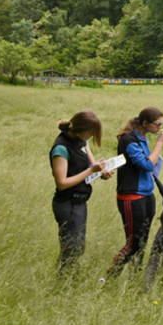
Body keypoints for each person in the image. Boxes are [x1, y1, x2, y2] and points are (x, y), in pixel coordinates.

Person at [106, 107, 163, 278]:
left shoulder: (142, 138)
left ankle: (135, 276)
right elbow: (147, 165)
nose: (160, 128)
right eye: (158, 124)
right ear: (145, 123)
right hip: (131, 197)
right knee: (133, 243)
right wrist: (160, 143)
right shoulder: (129, 140)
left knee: (142, 242)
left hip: (147, 195)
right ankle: (109, 277)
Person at [49, 110, 109, 274]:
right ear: (81, 130)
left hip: (80, 202)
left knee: (78, 247)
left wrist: (101, 171)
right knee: (71, 247)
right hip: (67, 203)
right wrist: (91, 171)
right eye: (90, 134)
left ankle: (67, 277)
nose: (91, 138)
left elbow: (90, 165)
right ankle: (63, 280)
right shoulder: (61, 149)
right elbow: (62, 183)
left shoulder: (82, 142)